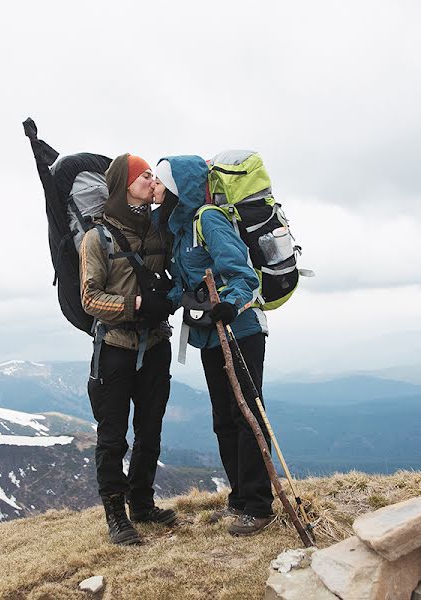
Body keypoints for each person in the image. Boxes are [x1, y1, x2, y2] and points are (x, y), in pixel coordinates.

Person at [153, 156, 275, 537]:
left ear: (178, 188)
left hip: (240, 330)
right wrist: (167, 295)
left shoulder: (207, 219)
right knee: (224, 417)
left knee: (247, 414)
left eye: (160, 182)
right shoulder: (179, 228)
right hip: (208, 333)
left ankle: (259, 505)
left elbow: (242, 274)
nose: (155, 188)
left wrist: (230, 302)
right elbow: (186, 285)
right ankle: (240, 497)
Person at [79, 153, 177, 545]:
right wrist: (133, 305)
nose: (150, 181)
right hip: (116, 349)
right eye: (143, 176)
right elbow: (89, 298)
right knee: (113, 437)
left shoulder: (156, 230)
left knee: (149, 430)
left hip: (155, 345)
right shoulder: (96, 238)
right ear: (124, 185)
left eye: (152, 175)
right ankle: (116, 516)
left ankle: (142, 502)